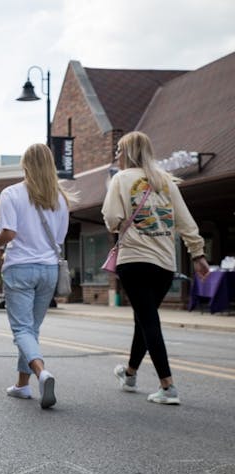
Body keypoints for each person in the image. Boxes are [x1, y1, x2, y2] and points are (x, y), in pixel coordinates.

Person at [102, 131, 209, 405]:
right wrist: (197, 254)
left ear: (127, 152)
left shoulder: (120, 179)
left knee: (148, 320)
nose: (116, 155)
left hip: (134, 260)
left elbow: (112, 218)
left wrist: (120, 223)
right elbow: (186, 222)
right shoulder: (166, 182)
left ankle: (168, 386)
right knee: (144, 318)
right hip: (164, 265)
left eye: (118, 150)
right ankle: (129, 374)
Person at [0, 143, 71, 409]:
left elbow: (9, 233)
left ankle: (42, 373)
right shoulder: (61, 198)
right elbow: (60, 238)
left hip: (20, 267)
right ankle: (22, 385)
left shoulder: (12, 193)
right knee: (31, 329)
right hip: (49, 269)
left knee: (21, 329)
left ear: (25, 165)